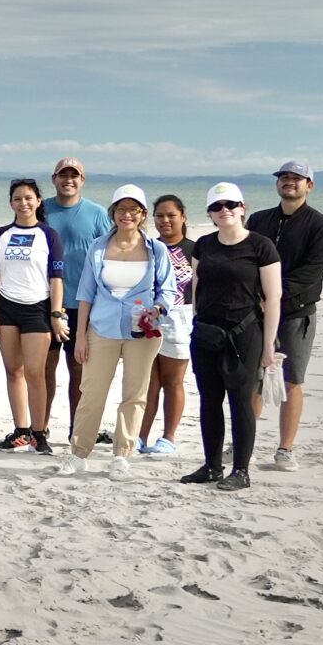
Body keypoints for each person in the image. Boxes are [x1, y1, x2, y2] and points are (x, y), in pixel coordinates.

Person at [61, 185, 179, 478]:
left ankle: (121, 455)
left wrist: (159, 309)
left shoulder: (156, 249)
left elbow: (167, 289)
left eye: (134, 210)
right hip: (102, 328)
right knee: (92, 392)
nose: (127, 215)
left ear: (142, 215)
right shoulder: (98, 246)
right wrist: (80, 336)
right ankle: (79, 453)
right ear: (113, 213)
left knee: (135, 394)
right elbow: (85, 293)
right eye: (121, 209)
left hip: (143, 332)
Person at [184, 182, 283, 491]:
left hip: (245, 333)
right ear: (210, 214)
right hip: (207, 334)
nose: (223, 210)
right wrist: (197, 324)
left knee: (240, 402)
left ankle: (241, 470)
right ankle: (212, 466)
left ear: (243, 208)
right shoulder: (203, 245)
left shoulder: (261, 246)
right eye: (216, 207)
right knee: (209, 401)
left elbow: (274, 295)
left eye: (230, 204)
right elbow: (197, 287)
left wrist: (268, 345)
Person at [248, 159, 323, 471]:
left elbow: (311, 273)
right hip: (255, 313)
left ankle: (285, 448)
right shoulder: (259, 221)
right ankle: (244, 443)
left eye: (296, 178)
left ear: (309, 185)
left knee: (292, 380)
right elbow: (245, 260)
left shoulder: (321, 226)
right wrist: (254, 296)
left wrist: (272, 297)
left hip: (296, 314)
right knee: (252, 379)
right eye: (284, 177)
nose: (289, 182)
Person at [0, 178, 66, 454]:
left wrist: (56, 314)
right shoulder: (1, 234)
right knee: (13, 371)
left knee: (35, 372)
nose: (23, 203)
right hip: (7, 309)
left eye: (28, 198)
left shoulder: (48, 235)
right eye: (18, 199)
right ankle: (20, 431)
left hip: (37, 309)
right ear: (11, 203)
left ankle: (39, 433)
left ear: (38, 201)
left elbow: (56, 279)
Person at [39, 156, 112, 440]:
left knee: (79, 372)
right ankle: (39, 429)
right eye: (63, 175)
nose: (68, 179)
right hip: (45, 301)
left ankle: (77, 431)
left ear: (83, 180)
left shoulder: (96, 213)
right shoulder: (41, 210)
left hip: (84, 304)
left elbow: (111, 254)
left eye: (74, 175)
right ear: (54, 178)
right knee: (44, 369)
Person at [136, 194, 197, 456]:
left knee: (173, 380)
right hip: (149, 316)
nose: (165, 220)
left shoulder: (196, 249)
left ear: (183, 217)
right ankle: (139, 435)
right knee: (148, 381)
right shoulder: (147, 247)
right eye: (159, 215)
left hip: (182, 317)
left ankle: (168, 437)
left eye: (171, 215)